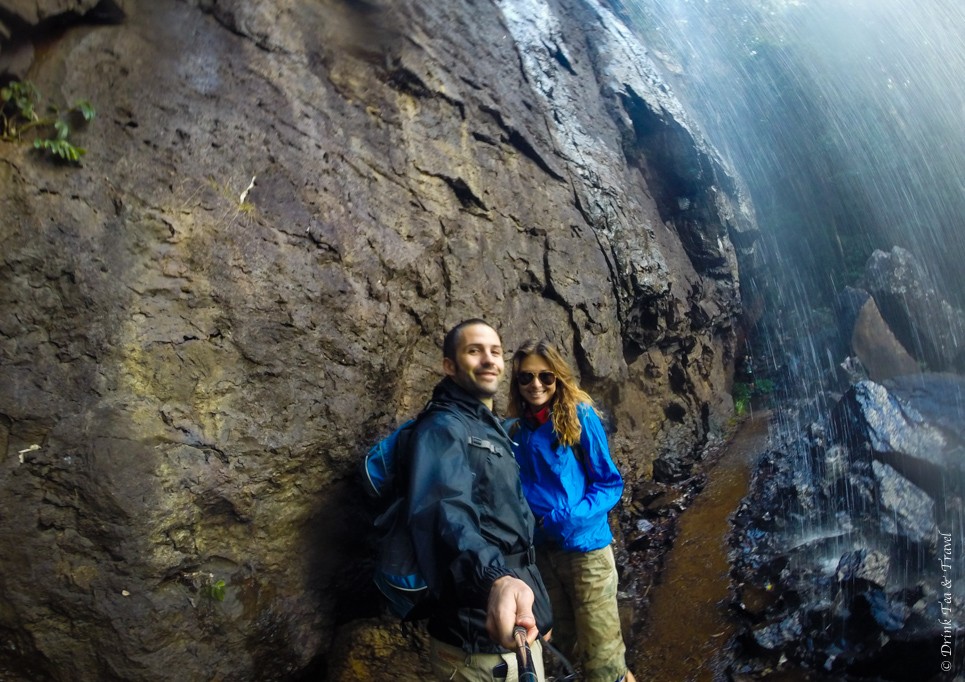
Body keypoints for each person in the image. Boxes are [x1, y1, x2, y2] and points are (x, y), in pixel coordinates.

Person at [406, 319, 553, 681]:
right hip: (476, 639)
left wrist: (542, 610)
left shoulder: (489, 428)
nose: (488, 359)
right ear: (449, 366)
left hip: (515, 622)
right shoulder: (443, 428)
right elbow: (445, 511)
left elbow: (508, 526)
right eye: (474, 351)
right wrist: (497, 580)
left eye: (495, 351)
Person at [506, 339, 635, 682]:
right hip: (545, 559)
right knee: (562, 647)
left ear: (558, 377)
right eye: (526, 377)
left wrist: (568, 519)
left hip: (586, 552)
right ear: (516, 382)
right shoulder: (517, 430)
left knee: (604, 662)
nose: (536, 385)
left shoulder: (579, 415)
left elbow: (609, 483)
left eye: (545, 377)